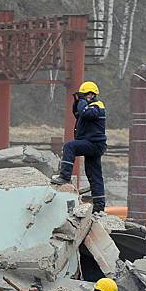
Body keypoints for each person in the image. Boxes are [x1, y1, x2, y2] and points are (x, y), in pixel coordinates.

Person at [51, 81, 107, 212]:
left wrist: (82, 102)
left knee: (70, 146)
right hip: (92, 144)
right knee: (94, 175)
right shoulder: (88, 106)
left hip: (94, 144)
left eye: (84, 95)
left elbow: (86, 113)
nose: (82, 98)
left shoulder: (97, 106)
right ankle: (99, 206)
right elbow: (78, 113)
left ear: (92, 95)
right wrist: (77, 101)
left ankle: (64, 176)